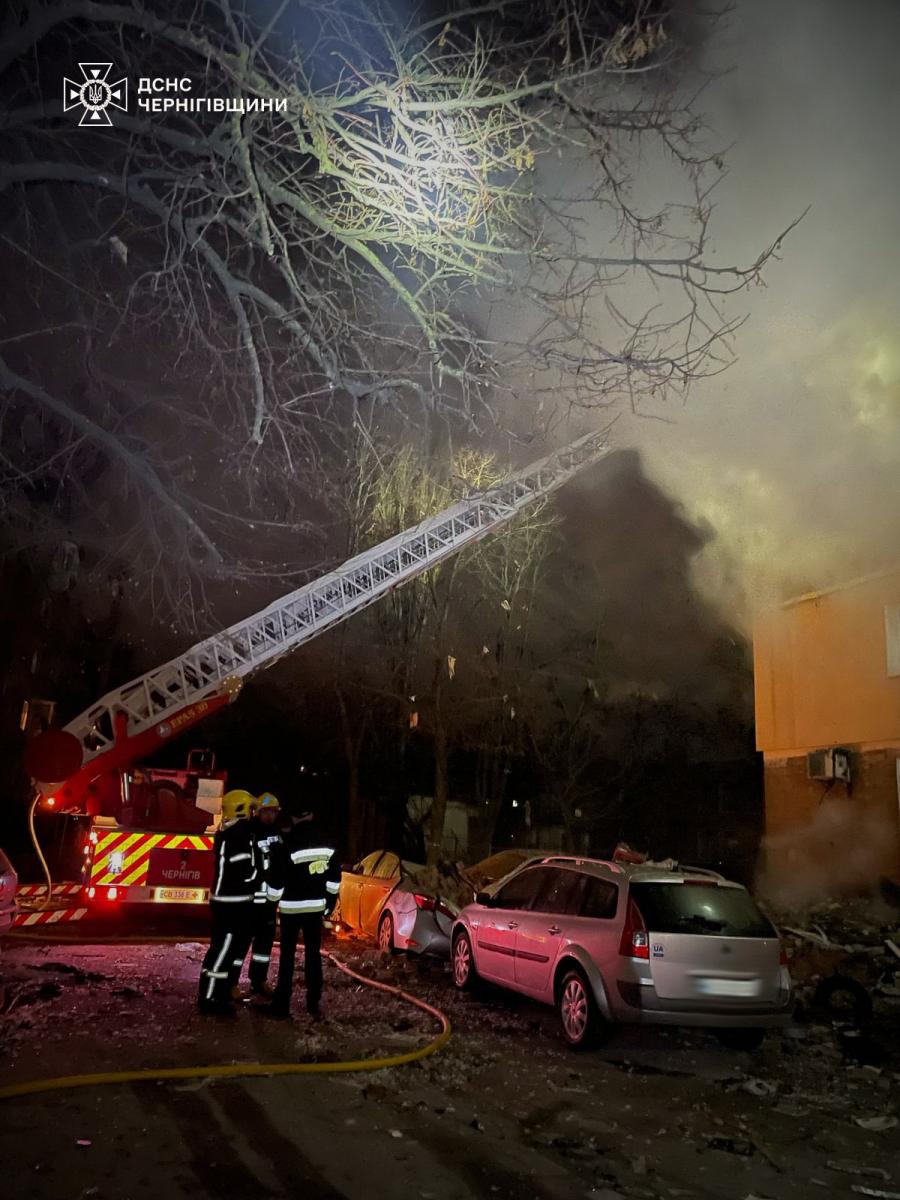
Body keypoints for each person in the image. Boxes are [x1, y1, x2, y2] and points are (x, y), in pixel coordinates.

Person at [266, 799, 340, 1020]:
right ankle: (313, 1002)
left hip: (291, 909)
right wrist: (329, 903)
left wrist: (271, 903)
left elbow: (276, 880)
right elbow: (334, 878)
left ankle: (281, 1004)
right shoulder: (327, 842)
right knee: (313, 954)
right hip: (316, 908)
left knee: (287, 956)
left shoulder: (286, 843)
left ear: (294, 818)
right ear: (312, 816)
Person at [197, 788, 257, 1015]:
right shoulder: (238, 837)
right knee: (222, 954)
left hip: (226, 903)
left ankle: (213, 996)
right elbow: (247, 873)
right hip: (232, 905)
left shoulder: (229, 834)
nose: (253, 814)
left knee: (219, 952)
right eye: (250, 809)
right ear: (242, 811)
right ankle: (212, 1000)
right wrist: (260, 873)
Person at [238, 790, 285, 999]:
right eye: (266, 812)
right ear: (257, 812)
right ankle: (231, 982)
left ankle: (259, 981)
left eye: (273, 812)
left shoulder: (278, 833)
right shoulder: (249, 832)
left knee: (264, 946)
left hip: (269, 901)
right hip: (249, 901)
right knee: (241, 944)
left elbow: (281, 862)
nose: (270, 816)